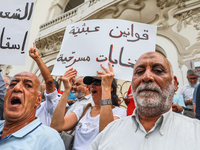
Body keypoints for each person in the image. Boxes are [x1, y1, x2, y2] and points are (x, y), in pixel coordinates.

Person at [89, 52, 200, 150]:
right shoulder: (109, 131)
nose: (146, 77)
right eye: (139, 71)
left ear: (174, 84)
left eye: (158, 71)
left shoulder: (195, 133)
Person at [51, 62, 126, 150]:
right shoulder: (83, 109)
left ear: (110, 87)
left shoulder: (119, 112)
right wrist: (67, 90)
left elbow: (105, 134)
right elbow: (56, 126)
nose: (92, 85)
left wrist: (106, 89)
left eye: (98, 82)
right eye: (91, 83)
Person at [0, 72, 65, 149]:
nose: (17, 88)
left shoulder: (49, 139)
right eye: (13, 84)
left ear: (38, 99)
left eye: (28, 85)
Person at [29, 43, 60, 126]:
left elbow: (49, 81)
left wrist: (37, 59)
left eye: (42, 90)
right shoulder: (28, 106)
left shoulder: (50, 107)